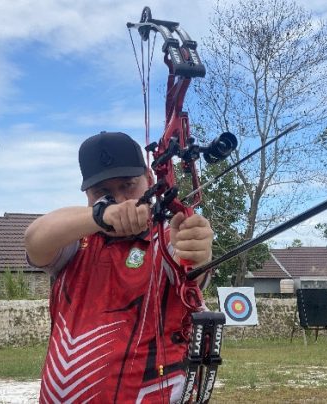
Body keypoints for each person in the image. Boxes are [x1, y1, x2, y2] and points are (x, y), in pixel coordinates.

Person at [24, 131, 214, 403]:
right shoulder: (75, 240)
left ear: (150, 179)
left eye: (128, 185)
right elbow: (34, 239)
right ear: (88, 196)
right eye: (103, 192)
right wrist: (101, 216)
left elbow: (193, 268)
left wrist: (198, 249)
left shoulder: (167, 236)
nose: (121, 200)